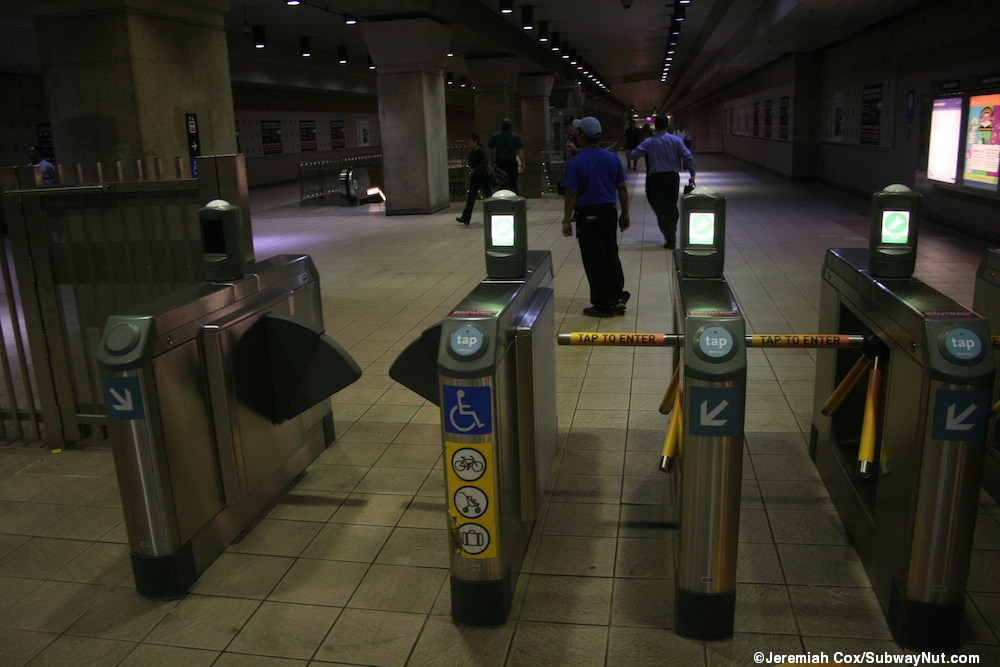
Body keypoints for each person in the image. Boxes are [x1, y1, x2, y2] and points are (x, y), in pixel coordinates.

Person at [560, 116, 630, 318]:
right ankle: (617, 297)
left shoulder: (575, 163)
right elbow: (622, 187)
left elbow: (571, 194)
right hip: (609, 212)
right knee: (610, 254)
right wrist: (625, 213)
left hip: (588, 215)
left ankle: (602, 305)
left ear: (582, 136)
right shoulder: (612, 158)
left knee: (594, 259)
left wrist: (566, 220)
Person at [630, 115, 695, 249]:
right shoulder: (676, 140)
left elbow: (633, 154)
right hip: (672, 178)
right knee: (671, 205)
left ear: (656, 126)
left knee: (660, 209)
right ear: (667, 125)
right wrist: (692, 174)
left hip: (656, 180)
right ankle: (671, 227)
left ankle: (670, 237)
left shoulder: (649, 142)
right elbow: (687, 156)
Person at [456, 134, 492, 225]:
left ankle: (494, 214)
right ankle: (465, 218)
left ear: (475, 141)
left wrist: (475, 169)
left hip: (483, 176)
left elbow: (485, 162)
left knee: (488, 196)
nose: (468, 144)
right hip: (475, 177)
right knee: (471, 198)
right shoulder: (472, 153)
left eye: (470, 142)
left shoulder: (481, 151)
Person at [487, 118, 525, 194]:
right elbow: (520, 150)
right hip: (511, 162)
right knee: (513, 183)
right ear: (510, 126)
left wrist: (491, 160)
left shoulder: (496, 135)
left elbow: (490, 148)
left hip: (500, 162)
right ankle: (515, 200)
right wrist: (523, 163)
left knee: (501, 183)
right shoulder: (515, 136)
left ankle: (502, 199)